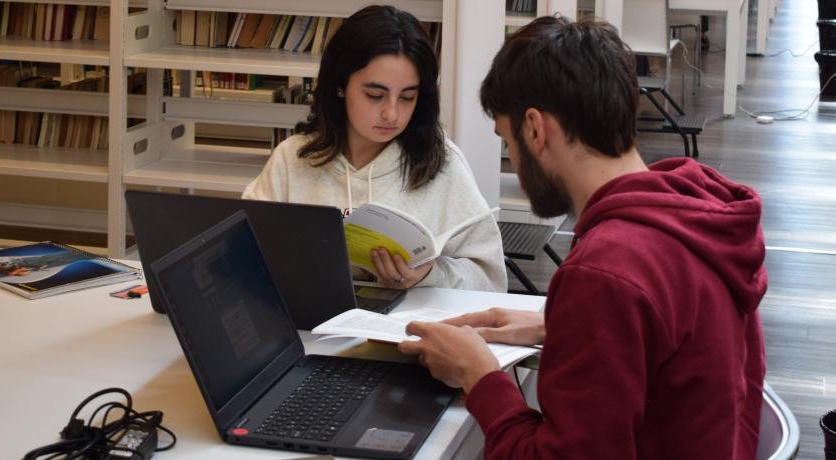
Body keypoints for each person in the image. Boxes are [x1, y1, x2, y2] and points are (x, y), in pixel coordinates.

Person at [398, 15, 767, 459]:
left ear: (535, 128)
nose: (513, 161)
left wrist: (478, 374)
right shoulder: (694, 213)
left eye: (508, 141)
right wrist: (558, 328)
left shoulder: (606, 270)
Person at [243, 5, 506, 292]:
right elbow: (242, 253)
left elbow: (492, 281)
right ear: (340, 85)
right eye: (375, 95)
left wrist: (431, 275)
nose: (391, 114)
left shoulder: (442, 164)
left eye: (407, 97)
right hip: (311, 327)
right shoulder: (292, 159)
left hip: (409, 330)